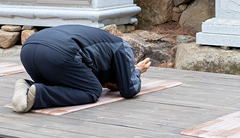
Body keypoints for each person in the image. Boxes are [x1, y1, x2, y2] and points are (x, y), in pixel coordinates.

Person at [12, 25, 151, 113]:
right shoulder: (122, 46)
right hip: (59, 53)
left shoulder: (103, 46)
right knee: (93, 91)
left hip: (28, 49)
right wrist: (137, 71)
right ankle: (39, 96)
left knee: (64, 85)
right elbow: (129, 89)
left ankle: (27, 86)